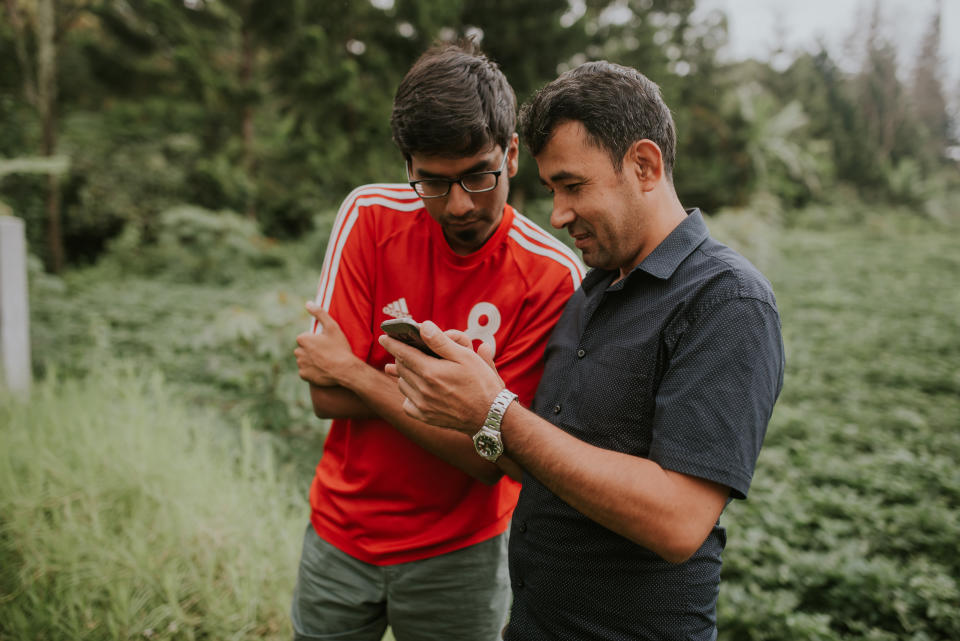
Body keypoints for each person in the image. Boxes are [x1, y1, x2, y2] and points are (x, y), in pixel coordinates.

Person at [380, 60, 785, 641]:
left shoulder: (727, 300)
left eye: (573, 186)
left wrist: (498, 411)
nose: (558, 214)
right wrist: (473, 398)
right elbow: (543, 459)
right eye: (550, 190)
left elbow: (678, 520)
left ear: (643, 166)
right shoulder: (593, 289)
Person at [290, 41, 584, 641]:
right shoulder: (368, 216)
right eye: (432, 182)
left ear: (512, 153)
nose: (457, 206)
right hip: (340, 534)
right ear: (407, 166)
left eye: (479, 176)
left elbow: (492, 456)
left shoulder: (552, 274)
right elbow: (322, 395)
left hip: (463, 556)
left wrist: (356, 373)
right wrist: (453, 407)